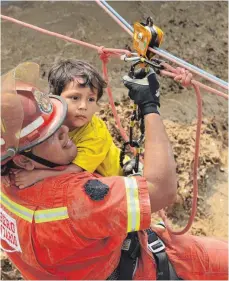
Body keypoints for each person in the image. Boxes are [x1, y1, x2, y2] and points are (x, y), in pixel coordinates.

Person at [1, 62, 227, 280]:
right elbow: (163, 190)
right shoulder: (76, 199)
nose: (65, 130)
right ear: (23, 161)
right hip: (136, 268)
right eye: (51, 134)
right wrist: (150, 106)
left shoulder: (7, 184)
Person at [14, 59, 130, 189]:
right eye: (75, 98)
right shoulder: (50, 115)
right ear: (56, 98)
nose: (83, 106)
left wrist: (37, 175)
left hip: (117, 176)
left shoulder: (95, 134)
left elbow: (75, 170)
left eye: (91, 99)